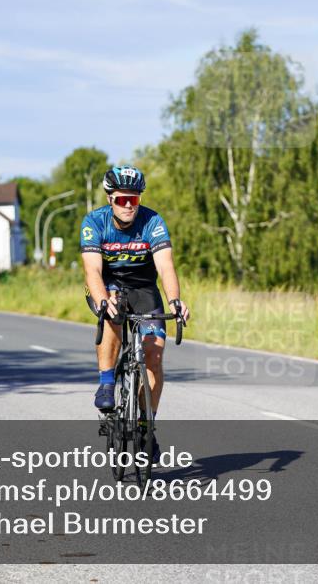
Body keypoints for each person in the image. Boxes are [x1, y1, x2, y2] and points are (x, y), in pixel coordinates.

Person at [80, 165, 190, 457]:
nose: (129, 205)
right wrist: (103, 300)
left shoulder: (152, 221)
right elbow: (92, 271)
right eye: (122, 199)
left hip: (143, 287)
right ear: (110, 199)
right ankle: (106, 382)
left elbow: (166, 266)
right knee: (113, 311)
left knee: (154, 354)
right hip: (108, 284)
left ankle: (145, 425)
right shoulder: (95, 222)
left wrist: (175, 301)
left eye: (134, 199)